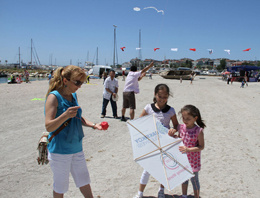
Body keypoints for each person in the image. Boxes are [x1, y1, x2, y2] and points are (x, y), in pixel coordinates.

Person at [45, 65, 103, 198]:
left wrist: (94, 125)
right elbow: (48, 126)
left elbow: (77, 117)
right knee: (60, 187)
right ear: (65, 80)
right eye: (77, 82)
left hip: (76, 147)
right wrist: (65, 115)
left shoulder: (73, 95)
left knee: (84, 181)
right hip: (60, 150)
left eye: (81, 82)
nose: (80, 86)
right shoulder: (54, 97)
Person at [133, 84, 179, 198]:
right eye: (160, 96)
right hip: (152, 143)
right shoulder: (148, 108)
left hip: (165, 144)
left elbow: (176, 125)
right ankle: (140, 192)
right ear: (155, 94)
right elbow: (140, 121)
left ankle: (161, 190)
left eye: (165, 96)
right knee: (147, 169)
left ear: (168, 96)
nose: (162, 99)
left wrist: (174, 129)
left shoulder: (171, 110)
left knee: (164, 168)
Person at [173, 105, 205, 198]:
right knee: (184, 180)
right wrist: (176, 138)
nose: (185, 120)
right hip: (183, 160)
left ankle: (196, 196)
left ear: (195, 118)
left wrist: (189, 149)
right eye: (183, 118)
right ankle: (184, 195)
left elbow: (201, 146)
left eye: (188, 118)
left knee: (195, 181)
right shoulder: (181, 127)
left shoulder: (198, 131)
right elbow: (180, 139)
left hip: (193, 162)